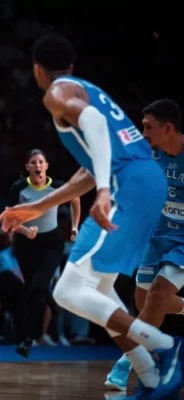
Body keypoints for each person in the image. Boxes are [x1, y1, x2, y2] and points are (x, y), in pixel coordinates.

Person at [0, 34, 180, 398]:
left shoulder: (58, 93)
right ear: (72, 66)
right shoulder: (88, 88)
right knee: (99, 292)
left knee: (67, 291)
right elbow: (91, 168)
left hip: (128, 185)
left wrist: (107, 191)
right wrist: (38, 206)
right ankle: (150, 375)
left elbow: (93, 124)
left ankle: (163, 347)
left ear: (37, 70)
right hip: (147, 180)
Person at [105, 99, 184, 392]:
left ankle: (126, 364)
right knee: (145, 303)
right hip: (158, 236)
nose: (144, 133)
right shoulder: (150, 156)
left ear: (168, 128)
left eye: (148, 127)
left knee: (158, 296)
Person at [9, 148, 80, 357]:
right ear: (27, 167)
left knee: (39, 285)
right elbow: (9, 217)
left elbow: (75, 199)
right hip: (25, 244)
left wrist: (75, 227)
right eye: (33, 162)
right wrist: (24, 230)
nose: (38, 166)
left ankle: (29, 338)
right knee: (32, 290)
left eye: (41, 162)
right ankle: (32, 332)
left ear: (46, 166)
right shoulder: (19, 188)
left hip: (51, 243)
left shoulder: (57, 187)